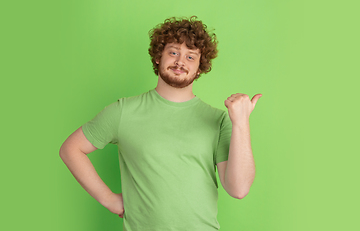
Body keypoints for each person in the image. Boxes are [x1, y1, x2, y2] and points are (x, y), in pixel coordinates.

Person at [59, 16, 262, 231]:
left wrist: (241, 123)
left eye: (191, 56)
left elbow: (238, 189)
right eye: (173, 52)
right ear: (158, 57)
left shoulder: (220, 120)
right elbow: (71, 149)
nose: (180, 62)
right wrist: (108, 199)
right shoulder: (123, 112)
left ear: (200, 67)